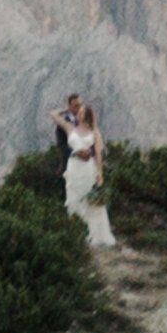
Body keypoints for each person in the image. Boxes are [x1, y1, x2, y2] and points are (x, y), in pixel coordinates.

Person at [63, 98, 116, 249]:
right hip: (73, 167)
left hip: (87, 168)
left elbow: (98, 154)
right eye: (78, 111)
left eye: (81, 112)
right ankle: (76, 230)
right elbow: (57, 118)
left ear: (86, 115)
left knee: (89, 199)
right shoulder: (72, 128)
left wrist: (99, 173)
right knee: (74, 196)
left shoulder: (95, 132)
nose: (78, 113)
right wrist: (66, 108)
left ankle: (94, 234)